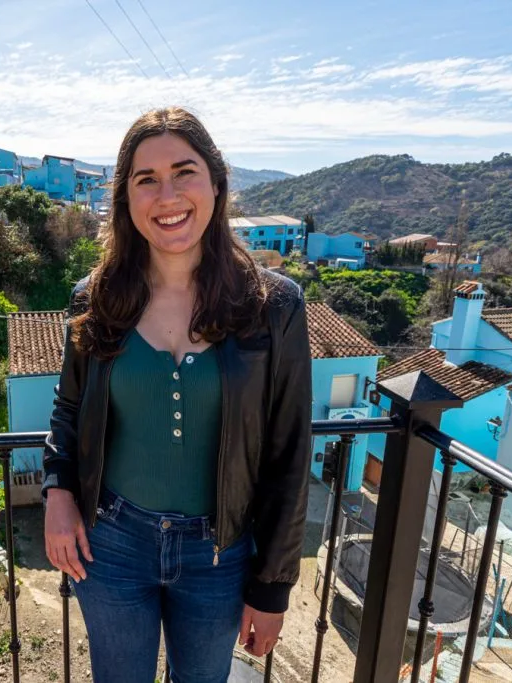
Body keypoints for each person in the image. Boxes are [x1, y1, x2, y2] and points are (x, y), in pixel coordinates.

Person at [42, 107, 312, 683]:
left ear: (215, 183)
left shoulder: (275, 305)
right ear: (126, 198)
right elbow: (69, 410)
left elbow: (290, 451)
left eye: (184, 172)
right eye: (147, 179)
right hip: (110, 545)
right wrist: (58, 494)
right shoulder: (96, 298)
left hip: (219, 555)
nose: (168, 195)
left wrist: (273, 586)